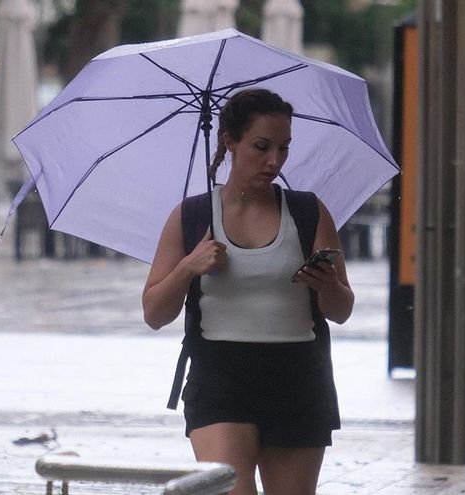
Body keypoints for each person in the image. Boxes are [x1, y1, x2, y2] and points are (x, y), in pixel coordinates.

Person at [142, 88, 354, 495]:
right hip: (220, 375)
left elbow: (342, 310)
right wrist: (190, 265)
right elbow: (154, 313)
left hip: (298, 375)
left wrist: (327, 285)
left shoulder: (308, 211)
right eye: (261, 146)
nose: (274, 160)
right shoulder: (192, 215)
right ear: (230, 142)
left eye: (284, 148)